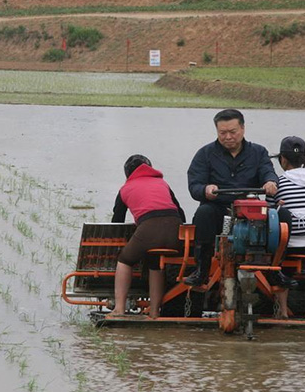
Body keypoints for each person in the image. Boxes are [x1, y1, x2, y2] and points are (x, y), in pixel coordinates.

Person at [186, 109, 279, 286]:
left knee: (277, 219)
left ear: (243, 129)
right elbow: (194, 185)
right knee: (203, 213)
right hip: (217, 207)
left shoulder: (258, 152)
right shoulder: (205, 154)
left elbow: (268, 173)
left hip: (249, 208)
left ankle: (274, 268)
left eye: (232, 132)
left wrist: (270, 182)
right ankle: (201, 269)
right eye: (223, 133)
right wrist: (206, 189)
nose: (228, 137)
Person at [110, 154, 186, 318]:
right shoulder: (162, 183)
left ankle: (119, 308)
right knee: (155, 263)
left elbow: (117, 222)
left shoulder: (125, 189)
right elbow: (181, 213)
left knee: (125, 260)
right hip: (176, 229)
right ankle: (154, 311)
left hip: (149, 227)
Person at [267, 136, 305, 320]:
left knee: (281, 265)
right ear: (304, 159)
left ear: (283, 160)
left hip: (289, 243)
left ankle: (283, 311)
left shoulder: (279, 183)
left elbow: (270, 212)